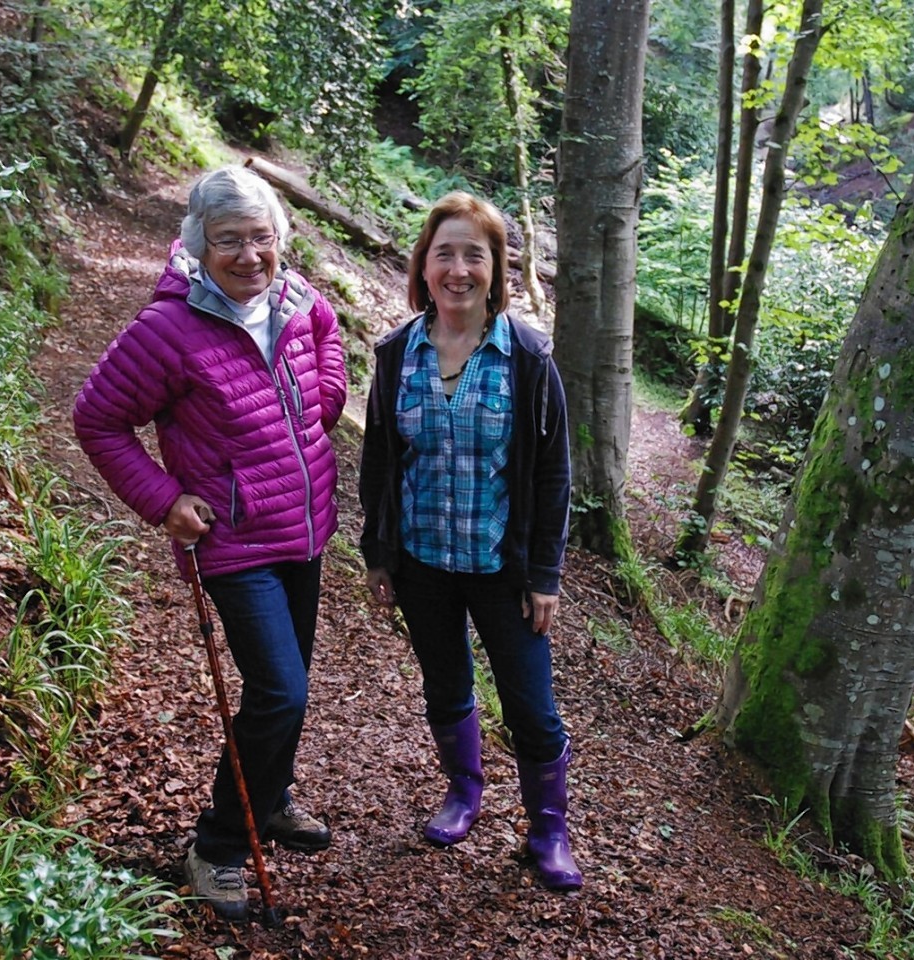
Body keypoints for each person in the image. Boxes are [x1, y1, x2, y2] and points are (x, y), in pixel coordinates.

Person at [72, 164, 347, 921]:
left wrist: (325, 397)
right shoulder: (168, 329)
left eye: (262, 238)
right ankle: (220, 844)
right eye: (230, 240)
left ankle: (270, 795)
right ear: (198, 243)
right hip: (232, 539)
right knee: (281, 691)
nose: (249, 256)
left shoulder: (294, 297)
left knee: (284, 692)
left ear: (279, 240)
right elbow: (97, 420)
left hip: (306, 525)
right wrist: (164, 500)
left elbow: (328, 337)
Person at [359, 191, 582, 891]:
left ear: (496, 268)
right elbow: (379, 464)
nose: (457, 269)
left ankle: (548, 830)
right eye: (443, 253)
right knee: (445, 685)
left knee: (531, 707)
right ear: (423, 266)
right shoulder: (398, 354)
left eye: (473, 255)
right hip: (423, 559)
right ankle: (464, 793)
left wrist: (544, 573)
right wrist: (378, 555)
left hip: (501, 569)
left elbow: (553, 475)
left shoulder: (528, 359)